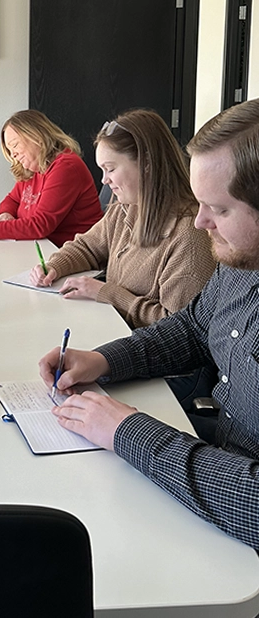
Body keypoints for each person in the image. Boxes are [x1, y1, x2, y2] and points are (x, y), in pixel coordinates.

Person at [39, 98, 259, 549]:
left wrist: (129, 432)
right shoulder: (240, 262)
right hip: (214, 456)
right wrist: (102, 360)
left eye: (219, 209)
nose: (201, 222)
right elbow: (194, 328)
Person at [28, 110, 215, 329]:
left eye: (110, 169)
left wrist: (108, 294)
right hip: (116, 332)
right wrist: (55, 266)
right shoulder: (124, 208)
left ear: (147, 164)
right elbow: (87, 247)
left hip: (147, 351)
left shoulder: (189, 235)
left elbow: (178, 328)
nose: (104, 181)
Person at [0, 110, 102, 246]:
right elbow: (12, 199)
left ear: (36, 137)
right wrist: (6, 213)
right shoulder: (33, 168)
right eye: (10, 150)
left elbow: (40, 225)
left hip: (71, 254)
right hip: (42, 248)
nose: (13, 154)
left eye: (14, 145)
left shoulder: (66, 167)